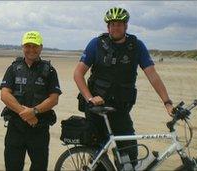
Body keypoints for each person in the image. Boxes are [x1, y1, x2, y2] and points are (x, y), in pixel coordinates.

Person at [74, 7, 174, 167]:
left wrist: (167, 102)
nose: (115, 27)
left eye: (119, 24)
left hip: (121, 108)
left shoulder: (136, 46)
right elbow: (78, 74)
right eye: (112, 24)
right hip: (96, 109)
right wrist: (90, 98)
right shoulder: (96, 44)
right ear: (108, 27)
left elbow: (153, 75)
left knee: (129, 154)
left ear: (126, 26)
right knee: (98, 155)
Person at [0, 31, 62, 171]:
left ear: (41, 47)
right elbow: (4, 94)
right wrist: (25, 113)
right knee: (12, 166)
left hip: (39, 128)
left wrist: (34, 111)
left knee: (39, 167)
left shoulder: (49, 71)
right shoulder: (14, 68)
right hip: (15, 127)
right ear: (23, 47)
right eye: (28, 46)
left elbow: (54, 99)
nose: (31, 49)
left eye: (35, 46)